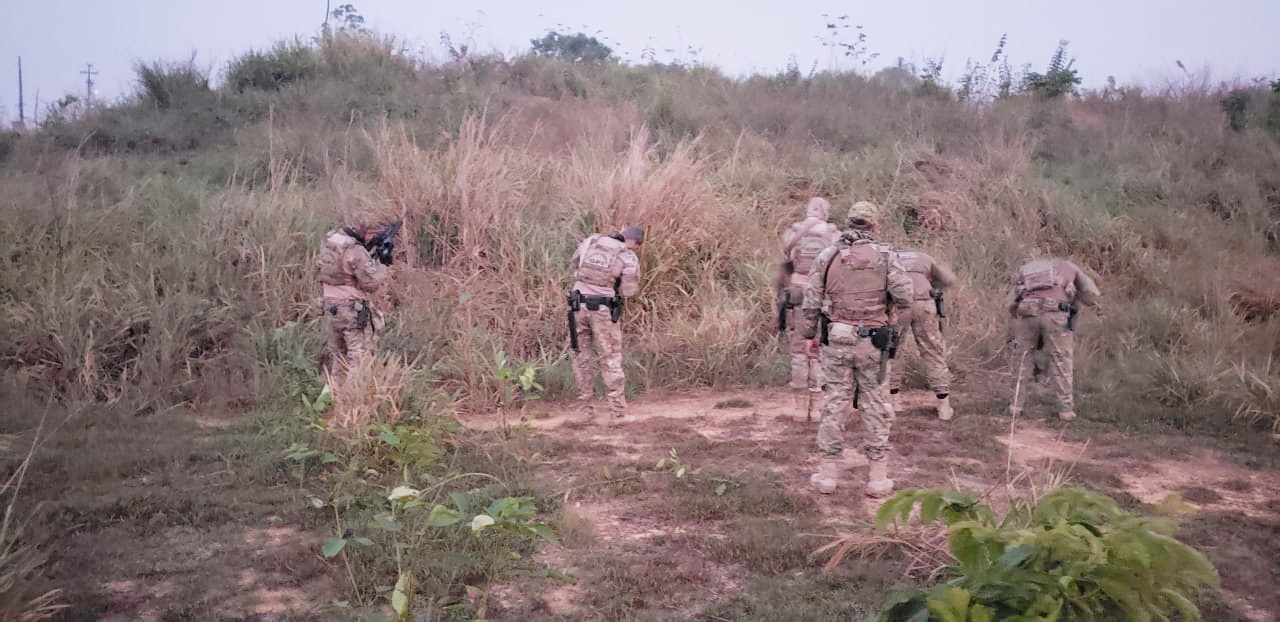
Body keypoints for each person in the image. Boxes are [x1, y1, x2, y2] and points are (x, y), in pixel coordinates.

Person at [801, 201, 913, 498]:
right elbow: (905, 296)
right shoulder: (886, 256)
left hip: (837, 338)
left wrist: (809, 335)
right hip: (874, 341)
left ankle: (827, 476)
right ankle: (877, 479)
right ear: (874, 226)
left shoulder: (828, 255)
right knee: (875, 405)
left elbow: (811, 300)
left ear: (848, 223)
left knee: (834, 403)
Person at [1005, 257, 1101, 421]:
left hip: (1027, 312)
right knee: (1061, 360)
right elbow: (1092, 294)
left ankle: (1015, 406)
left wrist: (1018, 314)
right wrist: (1076, 300)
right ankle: (1065, 410)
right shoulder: (1070, 267)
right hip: (1056, 313)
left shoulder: (1027, 268)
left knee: (1021, 359)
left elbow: (1011, 303)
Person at [568, 226, 644, 421]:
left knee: (580, 358)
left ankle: (585, 412)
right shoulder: (626, 255)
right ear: (633, 242)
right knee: (610, 358)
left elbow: (574, 264)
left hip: (577, 306)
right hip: (602, 310)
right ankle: (617, 413)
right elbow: (629, 290)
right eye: (636, 247)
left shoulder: (591, 241)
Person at [317, 218, 391, 386]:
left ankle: (330, 398)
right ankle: (352, 400)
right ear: (365, 231)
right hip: (351, 309)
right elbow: (371, 284)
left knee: (339, 356)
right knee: (358, 357)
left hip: (329, 306)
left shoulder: (330, 242)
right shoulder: (356, 251)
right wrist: (383, 265)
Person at [778, 197, 841, 392]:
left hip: (796, 289)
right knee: (821, 341)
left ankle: (798, 387)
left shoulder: (793, 232)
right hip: (822, 291)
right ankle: (818, 386)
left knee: (798, 342)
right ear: (824, 211)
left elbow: (786, 259)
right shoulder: (833, 233)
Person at [889, 248, 958, 420]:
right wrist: (933, 288)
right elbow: (948, 279)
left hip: (898, 306)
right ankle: (943, 405)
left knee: (893, 351)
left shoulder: (889, 257)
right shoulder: (924, 258)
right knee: (933, 350)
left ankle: (893, 401)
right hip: (924, 304)